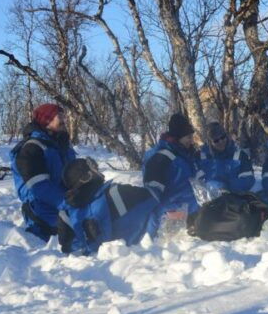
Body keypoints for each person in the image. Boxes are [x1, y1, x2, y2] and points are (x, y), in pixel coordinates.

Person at [57, 158, 159, 254]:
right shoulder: (116, 193)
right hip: (138, 254)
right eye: (93, 169)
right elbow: (155, 200)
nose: (98, 171)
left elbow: (67, 248)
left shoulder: (68, 211)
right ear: (87, 177)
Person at [10, 103, 77, 241]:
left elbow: (72, 174)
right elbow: (39, 189)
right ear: (47, 120)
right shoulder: (31, 148)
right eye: (59, 117)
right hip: (42, 211)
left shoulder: (61, 144)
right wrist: (70, 203)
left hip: (65, 203)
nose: (64, 120)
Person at [142, 113, 201, 235]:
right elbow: (152, 197)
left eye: (191, 136)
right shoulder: (162, 157)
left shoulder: (185, 154)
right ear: (178, 137)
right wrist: (167, 214)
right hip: (173, 216)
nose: (191, 140)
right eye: (188, 137)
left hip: (192, 210)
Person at [199, 122, 255, 197]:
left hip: (235, 197)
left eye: (223, 137)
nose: (221, 142)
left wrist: (228, 188)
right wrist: (217, 187)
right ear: (210, 143)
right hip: (212, 200)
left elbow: (248, 179)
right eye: (216, 140)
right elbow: (199, 182)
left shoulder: (239, 154)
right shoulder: (203, 157)